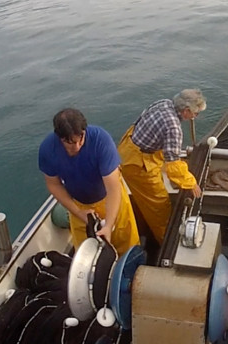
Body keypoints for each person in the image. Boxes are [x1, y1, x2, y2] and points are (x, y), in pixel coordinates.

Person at [38, 108, 139, 254]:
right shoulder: (48, 149)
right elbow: (54, 184)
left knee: (126, 243)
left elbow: (113, 188)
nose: (77, 146)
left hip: (110, 200)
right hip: (80, 206)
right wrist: (79, 212)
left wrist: (109, 226)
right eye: (71, 143)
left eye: (81, 140)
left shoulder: (101, 140)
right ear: (60, 138)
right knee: (86, 252)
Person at [117, 89, 206, 243]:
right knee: (159, 206)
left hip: (126, 151)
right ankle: (165, 239)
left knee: (152, 195)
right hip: (138, 166)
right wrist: (191, 183)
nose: (195, 117)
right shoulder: (174, 128)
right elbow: (173, 167)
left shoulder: (163, 103)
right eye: (195, 113)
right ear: (186, 111)